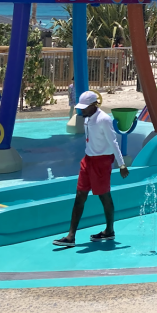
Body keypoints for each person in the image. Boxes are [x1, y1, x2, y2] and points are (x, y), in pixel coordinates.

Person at [53, 91, 129, 247]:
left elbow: (113, 142)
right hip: (87, 160)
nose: (82, 110)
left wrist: (121, 165)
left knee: (104, 196)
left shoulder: (104, 120)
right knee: (80, 195)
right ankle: (71, 236)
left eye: (85, 107)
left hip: (102, 162)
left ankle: (109, 230)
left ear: (94, 105)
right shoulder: (87, 119)